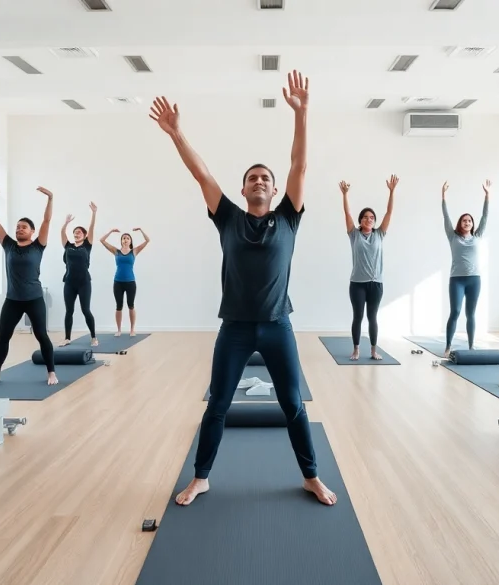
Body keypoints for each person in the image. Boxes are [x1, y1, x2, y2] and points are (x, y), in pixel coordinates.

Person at [149, 70, 336, 507]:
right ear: (242, 188)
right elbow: (202, 174)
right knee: (217, 405)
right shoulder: (228, 217)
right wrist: (177, 135)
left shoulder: (288, 217)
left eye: (265, 179)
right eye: (252, 177)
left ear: (274, 191)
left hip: (277, 326)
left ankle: (310, 475)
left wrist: (303, 114)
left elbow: (299, 165)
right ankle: (201, 477)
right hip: (234, 328)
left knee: (293, 405)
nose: (259, 181)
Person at [0, 186, 58, 386]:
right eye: (17, 226)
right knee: (3, 336)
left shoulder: (38, 245)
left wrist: (50, 199)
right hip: (13, 300)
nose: (19, 229)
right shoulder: (9, 245)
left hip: (34, 299)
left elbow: (47, 220)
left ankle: (51, 373)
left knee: (41, 335)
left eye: (24, 227)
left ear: (32, 231)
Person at [339, 175, 397, 360]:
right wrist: (345, 194)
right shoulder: (354, 235)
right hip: (357, 283)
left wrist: (391, 191)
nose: (369, 220)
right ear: (361, 220)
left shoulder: (380, 234)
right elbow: (347, 214)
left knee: (373, 317)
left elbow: (389, 213)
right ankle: (356, 349)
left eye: (372, 217)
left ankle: (373, 350)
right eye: (365, 217)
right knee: (358, 316)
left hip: (376, 284)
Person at [441, 179, 490, 357]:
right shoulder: (452, 236)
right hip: (457, 280)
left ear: (472, 223)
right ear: (460, 223)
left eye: (469, 220)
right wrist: (443, 196)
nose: (467, 222)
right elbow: (446, 217)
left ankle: (471, 346)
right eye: (464, 220)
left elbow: (485, 218)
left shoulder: (477, 236)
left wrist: (487, 196)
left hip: (474, 279)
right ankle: (447, 346)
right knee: (455, 311)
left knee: (471, 313)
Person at [60, 202, 99, 347]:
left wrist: (94, 213)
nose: (76, 233)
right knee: (69, 311)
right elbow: (62, 234)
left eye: (79, 232)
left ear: (84, 236)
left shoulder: (87, 246)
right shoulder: (68, 246)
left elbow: (91, 228)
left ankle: (94, 337)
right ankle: (67, 338)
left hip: (84, 283)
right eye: (75, 232)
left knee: (85, 310)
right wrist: (66, 224)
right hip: (69, 282)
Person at [99, 227, 149, 337]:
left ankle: (132, 330)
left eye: (127, 238)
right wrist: (111, 231)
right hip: (118, 282)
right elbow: (102, 240)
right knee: (119, 306)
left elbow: (147, 240)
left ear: (130, 241)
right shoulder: (116, 251)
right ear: (121, 241)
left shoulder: (134, 251)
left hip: (130, 282)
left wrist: (141, 230)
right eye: (123, 238)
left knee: (131, 305)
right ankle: (119, 330)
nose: (125, 239)